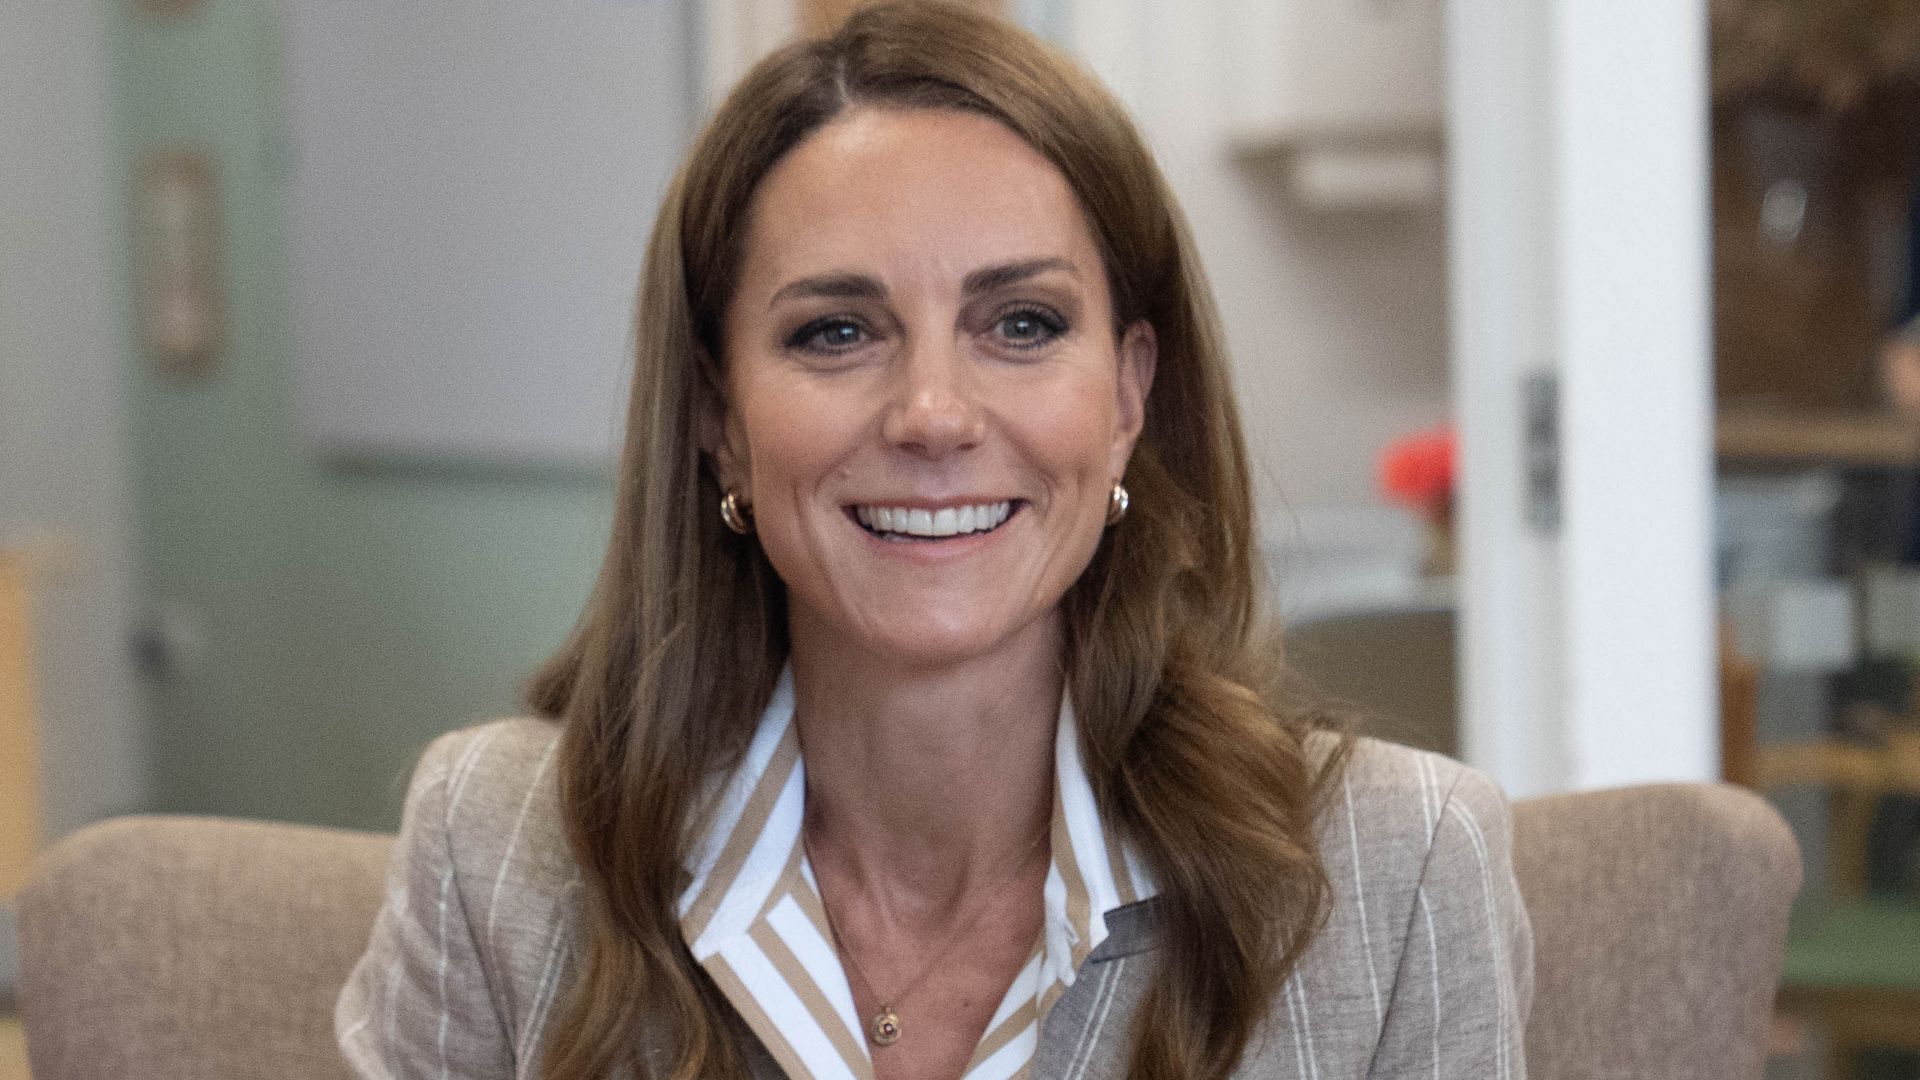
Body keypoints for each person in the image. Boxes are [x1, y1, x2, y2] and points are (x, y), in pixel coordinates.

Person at [334, 3, 1532, 1078]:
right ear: (718, 420)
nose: (933, 417)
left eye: (1020, 322)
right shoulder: (493, 852)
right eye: (837, 332)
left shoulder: (1401, 870)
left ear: (1126, 400)